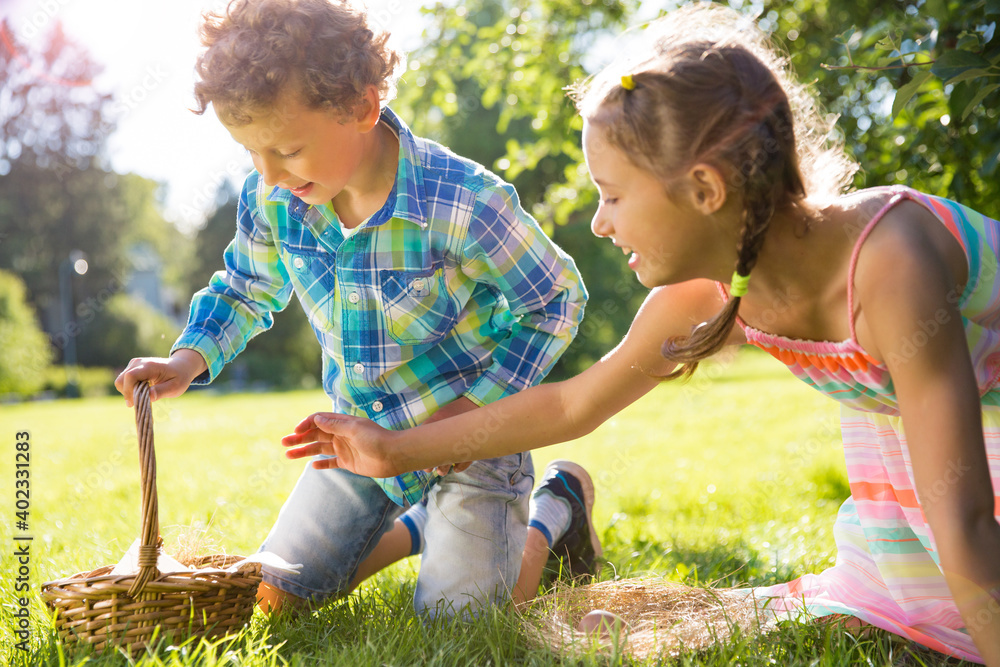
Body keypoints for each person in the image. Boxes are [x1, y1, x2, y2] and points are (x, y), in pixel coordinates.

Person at [277, 5, 1000, 664]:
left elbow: (965, 514)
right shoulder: (717, 288)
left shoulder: (889, 260)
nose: (599, 222)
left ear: (706, 190)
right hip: (934, 473)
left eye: (613, 195)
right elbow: (571, 406)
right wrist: (395, 449)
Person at [114, 0, 589, 618]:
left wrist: (469, 415)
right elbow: (245, 286)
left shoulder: (464, 201)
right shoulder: (276, 198)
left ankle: (555, 506)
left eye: (286, 149)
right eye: (251, 153)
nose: (268, 174)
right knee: (273, 602)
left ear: (362, 108)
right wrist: (186, 360)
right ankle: (428, 530)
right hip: (358, 442)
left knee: (460, 623)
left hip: (470, 446)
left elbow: (554, 300)